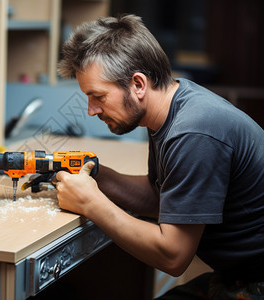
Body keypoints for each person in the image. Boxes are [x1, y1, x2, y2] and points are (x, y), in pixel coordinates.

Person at [55, 14, 264, 299]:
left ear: (138, 84)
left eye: (99, 97)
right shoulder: (175, 105)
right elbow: (165, 198)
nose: (92, 110)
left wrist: (91, 203)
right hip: (238, 273)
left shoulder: (193, 131)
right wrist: (98, 175)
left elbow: (173, 257)